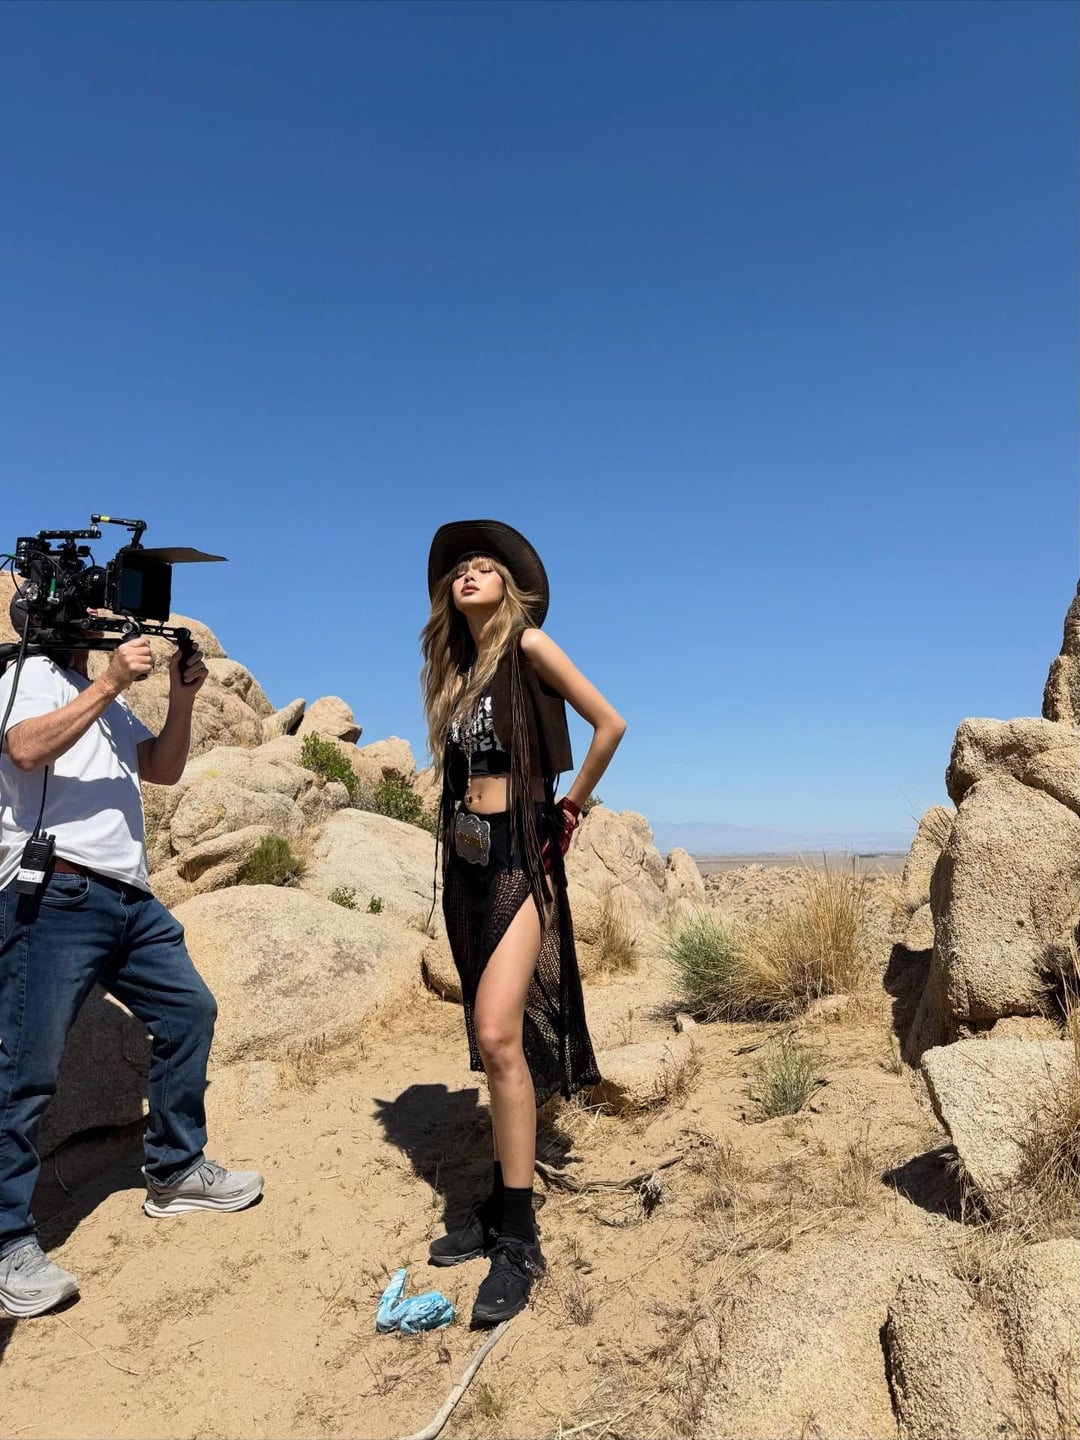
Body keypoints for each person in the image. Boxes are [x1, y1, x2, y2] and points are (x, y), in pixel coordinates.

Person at [0, 601, 263, 1318]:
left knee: (189, 1011)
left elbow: (164, 770)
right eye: (95, 612)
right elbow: (24, 750)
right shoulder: (23, 676)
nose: (111, 622)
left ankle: (175, 1172)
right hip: (55, 891)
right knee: (25, 1070)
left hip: (128, 897)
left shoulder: (103, 705)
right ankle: (7, 1242)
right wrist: (111, 680)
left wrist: (181, 698)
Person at [421, 520, 625, 1326]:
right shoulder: (456, 672)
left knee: (499, 1033)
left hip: (518, 855)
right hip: (468, 863)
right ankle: (504, 1199)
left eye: (485, 567)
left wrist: (569, 806)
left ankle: (520, 1238)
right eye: (459, 570)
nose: (469, 574)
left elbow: (609, 723)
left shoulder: (529, 647)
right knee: (490, 1035)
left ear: (509, 586)